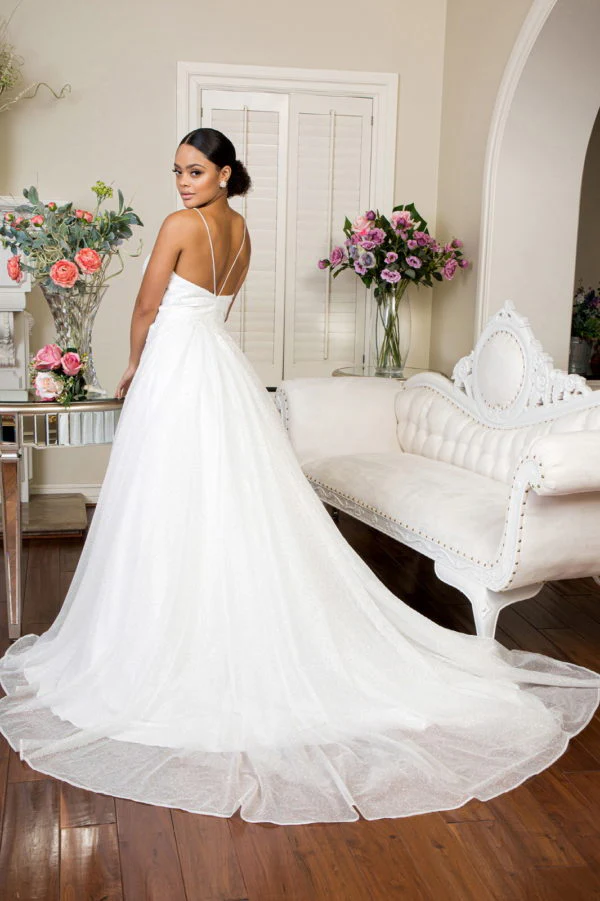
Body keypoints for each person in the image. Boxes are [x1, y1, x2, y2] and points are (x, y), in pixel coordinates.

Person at [0, 128, 598, 827]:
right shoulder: (242, 233)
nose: (183, 182)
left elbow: (145, 308)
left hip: (175, 369)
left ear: (225, 173)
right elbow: (217, 308)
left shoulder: (180, 226)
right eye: (178, 171)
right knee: (223, 502)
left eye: (195, 171)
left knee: (167, 501)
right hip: (220, 368)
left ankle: (170, 632)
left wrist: (134, 366)